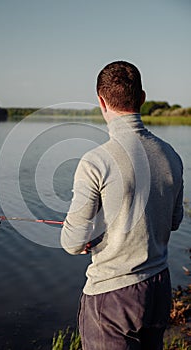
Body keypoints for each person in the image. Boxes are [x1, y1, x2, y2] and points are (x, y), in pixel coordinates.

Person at [61, 61, 184, 350]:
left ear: (101, 101)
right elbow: (174, 220)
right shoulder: (171, 156)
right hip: (158, 287)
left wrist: (89, 236)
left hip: (112, 296)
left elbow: (71, 242)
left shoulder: (96, 161)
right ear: (142, 98)